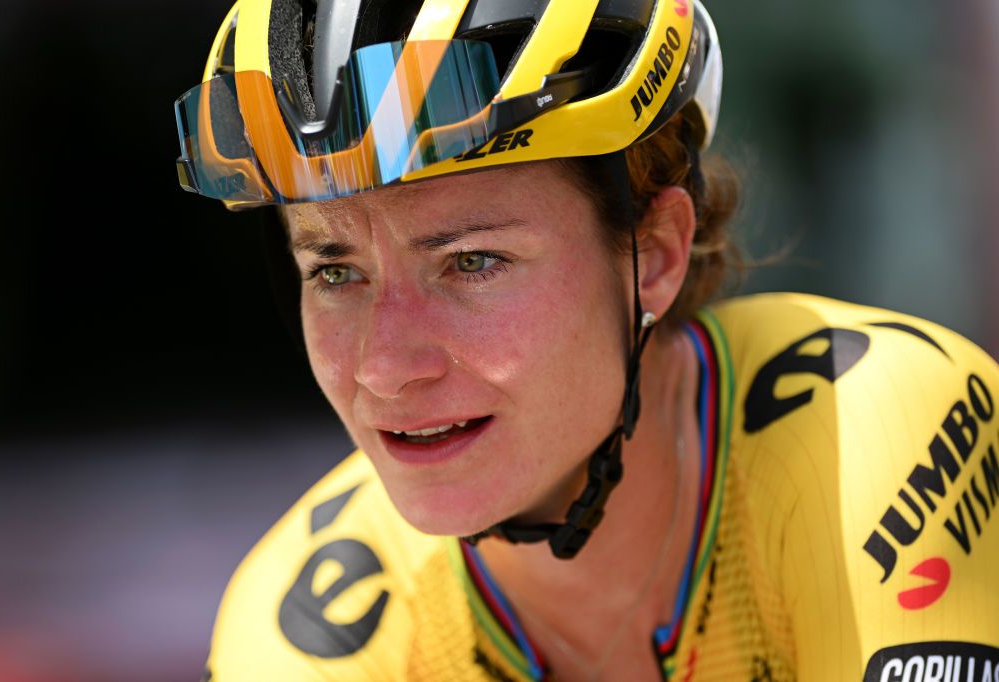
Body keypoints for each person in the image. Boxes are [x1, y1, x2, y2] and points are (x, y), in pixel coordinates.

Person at [174, 0, 999, 679]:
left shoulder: (872, 430)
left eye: (473, 261)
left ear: (657, 254)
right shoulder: (306, 628)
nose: (384, 370)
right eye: (333, 272)